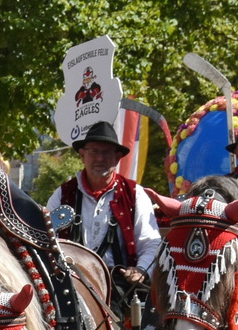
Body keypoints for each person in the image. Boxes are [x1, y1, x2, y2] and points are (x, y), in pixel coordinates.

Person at [43, 119, 162, 286]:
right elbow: (45, 239)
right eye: (93, 152)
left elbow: (150, 242)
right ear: (82, 155)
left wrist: (141, 270)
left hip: (118, 287)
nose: (99, 158)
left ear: (117, 158)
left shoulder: (135, 194)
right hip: (71, 284)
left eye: (106, 153)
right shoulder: (62, 194)